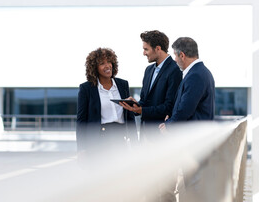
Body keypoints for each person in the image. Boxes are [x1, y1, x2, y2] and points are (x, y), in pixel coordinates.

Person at [120, 30, 182, 202]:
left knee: (165, 190)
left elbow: (169, 107)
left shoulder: (175, 70)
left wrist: (142, 111)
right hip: (146, 138)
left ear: (158, 48)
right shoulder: (148, 70)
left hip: (163, 139)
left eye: (146, 49)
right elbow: (147, 101)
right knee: (150, 189)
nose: (143, 53)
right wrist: (137, 104)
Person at [76, 47, 138, 167]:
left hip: (121, 139)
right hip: (99, 140)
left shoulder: (122, 84)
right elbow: (81, 121)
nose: (107, 66)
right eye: (102, 63)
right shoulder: (86, 88)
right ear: (94, 68)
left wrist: (135, 143)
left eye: (109, 62)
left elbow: (129, 116)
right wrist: (82, 149)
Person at [160, 36, 215, 127]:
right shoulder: (201, 71)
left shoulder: (195, 75)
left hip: (194, 136)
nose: (175, 60)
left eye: (175, 55)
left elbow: (185, 110)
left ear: (182, 55)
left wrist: (168, 125)